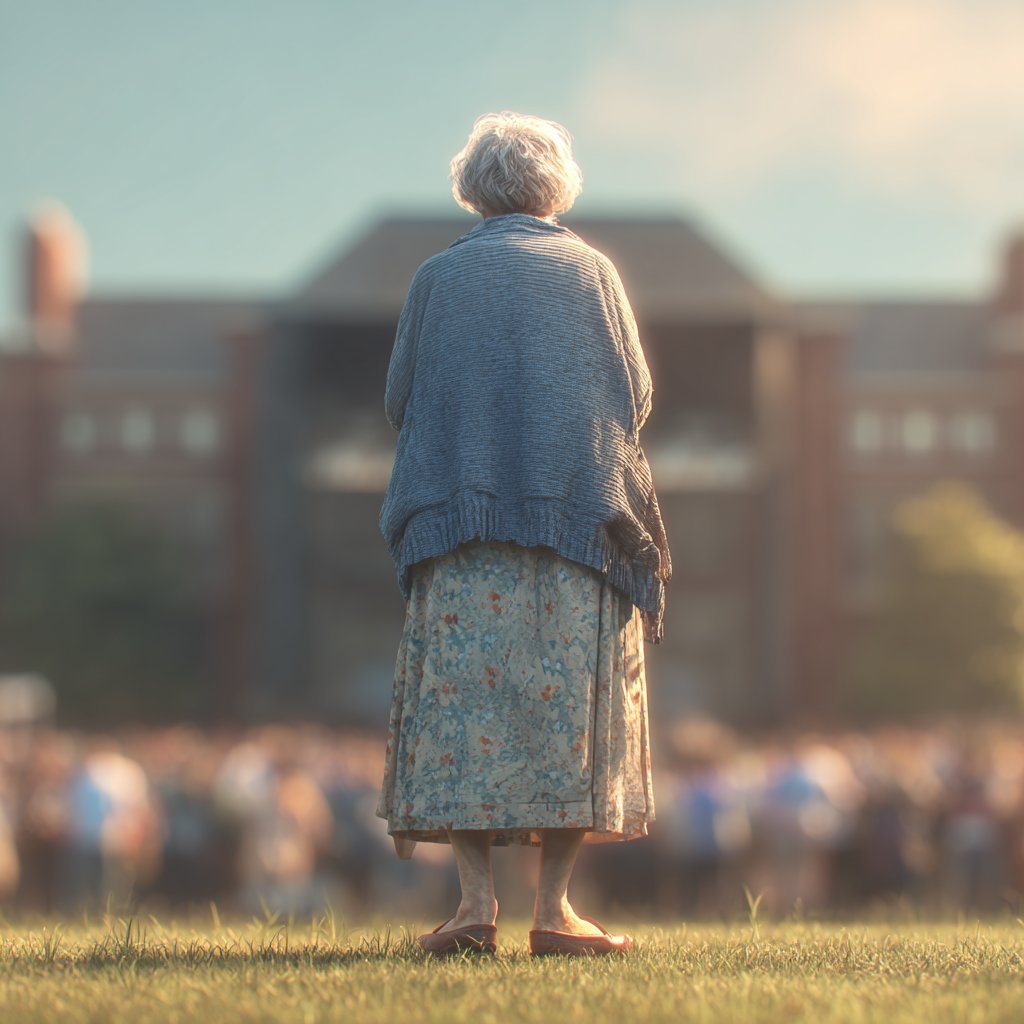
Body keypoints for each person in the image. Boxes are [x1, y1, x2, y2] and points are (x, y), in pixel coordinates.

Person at [375, 111, 671, 956]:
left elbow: (401, 397)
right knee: (572, 724)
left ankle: (472, 909)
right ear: (556, 185)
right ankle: (555, 912)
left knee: (463, 713)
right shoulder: (593, 273)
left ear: (473, 188)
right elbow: (636, 393)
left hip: (462, 531)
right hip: (576, 526)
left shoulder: (436, 279)